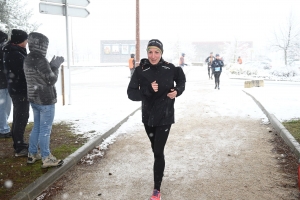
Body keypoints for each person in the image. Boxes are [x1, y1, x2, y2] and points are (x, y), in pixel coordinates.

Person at [127, 39, 186, 200]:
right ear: (147, 53)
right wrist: (146, 90)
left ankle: (156, 189)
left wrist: (177, 91)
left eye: (157, 52)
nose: (153, 56)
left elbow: (181, 80)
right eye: (150, 52)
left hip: (165, 116)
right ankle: (159, 166)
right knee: (155, 150)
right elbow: (131, 93)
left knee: (158, 152)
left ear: (161, 53)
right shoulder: (141, 71)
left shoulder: (170, 68)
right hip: (148, 118)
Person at [24, 32, 64, 168]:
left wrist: (51, 65)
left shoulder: (28, 58)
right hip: (45, 99)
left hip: (34, 98)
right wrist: (55, 66)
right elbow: (51, 79)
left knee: (37, 127)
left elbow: (39, 77)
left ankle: (32, 153)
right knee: (45, 129)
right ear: (41, 44)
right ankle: (46, 157)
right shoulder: (40, 59)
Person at [2, 29, 29, 156]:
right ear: (19, 41)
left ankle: (19, 143)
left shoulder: (14, 51)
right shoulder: (15, 54)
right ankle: (19, 146)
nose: (27, 42)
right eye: (25, 40)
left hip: (17, 89)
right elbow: (23, 73)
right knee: (20, 117)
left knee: (21, 116)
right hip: (20, 91)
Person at [0, 30, 12, 138]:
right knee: (4, 106)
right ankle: (3, 129)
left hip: (4, 81)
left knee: (4, 106)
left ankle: (3, 126)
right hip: (3, 82)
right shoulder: (4, 49)